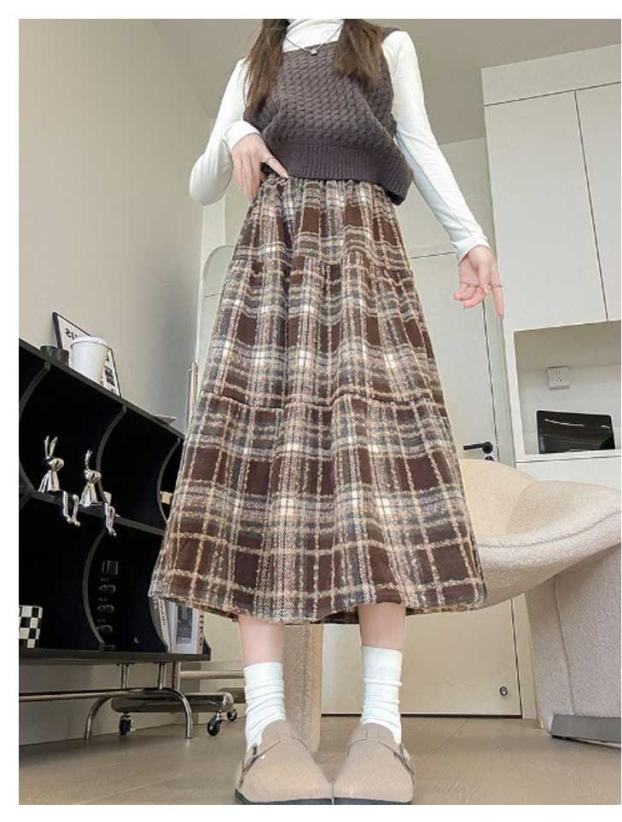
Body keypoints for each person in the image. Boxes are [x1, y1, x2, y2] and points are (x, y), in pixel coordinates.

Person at [149, 18, 504, 805]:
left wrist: (471, 238)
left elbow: (419, 141)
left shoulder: (385, 46)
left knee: (378, 475)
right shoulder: (254, 62)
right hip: (272, 263)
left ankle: (382, 727)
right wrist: (237, 130)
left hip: (364, 256)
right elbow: (203, 183)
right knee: (258, 474)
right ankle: (266, 729)